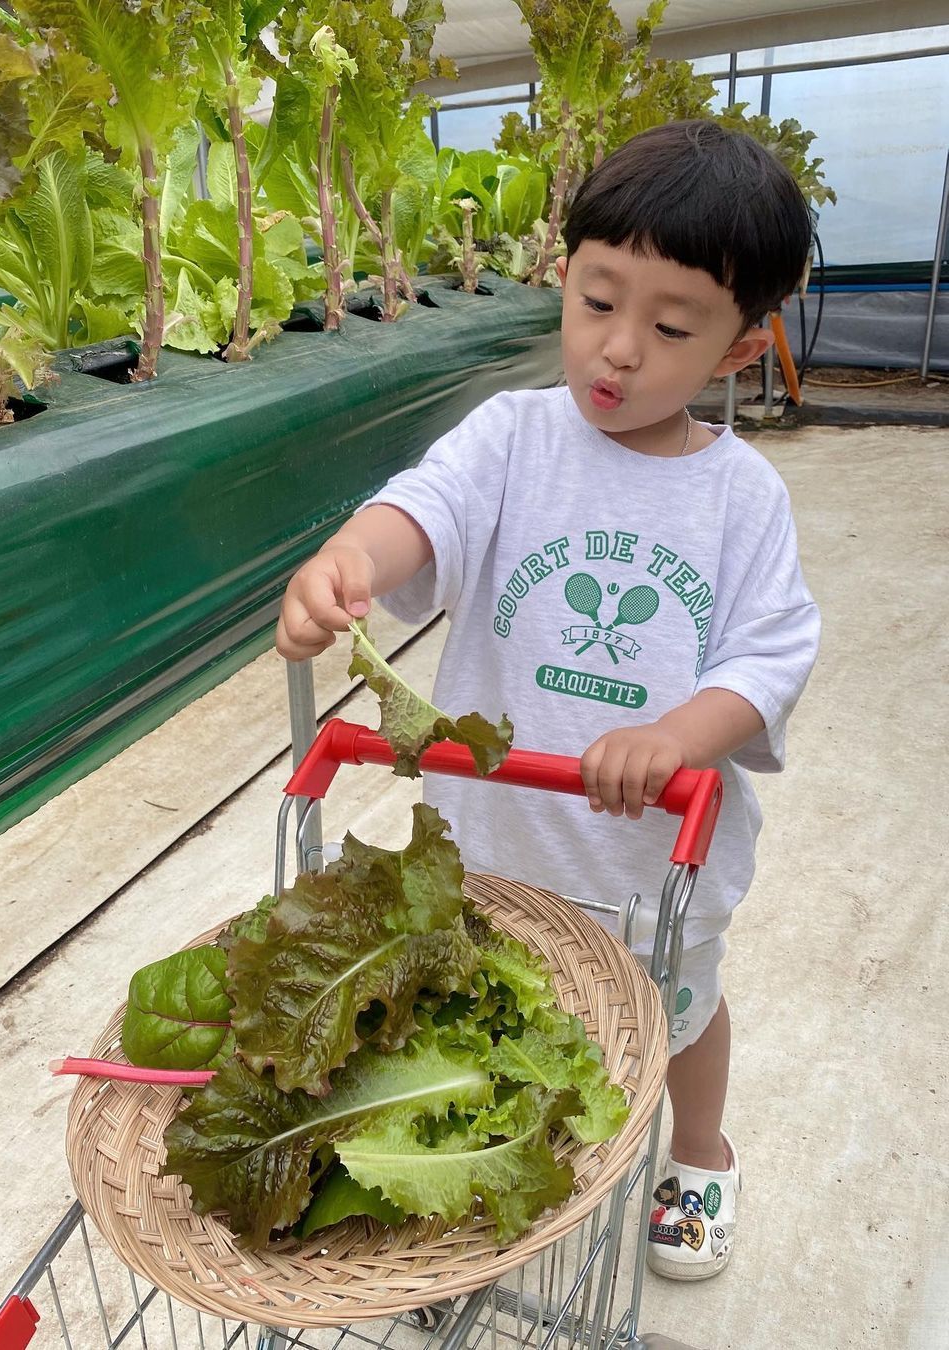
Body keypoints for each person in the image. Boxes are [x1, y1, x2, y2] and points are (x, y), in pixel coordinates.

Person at [276, 119, 820, 1281]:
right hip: (499, 839)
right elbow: (428, 507)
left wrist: (678, 735)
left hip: (649, 864)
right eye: (595, 301)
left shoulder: (740, 499)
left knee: (677, 1013)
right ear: (562, 278)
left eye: (671, 328)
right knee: (489, 1012)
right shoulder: (513, 437)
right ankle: (477, 1170)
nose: (617, 350)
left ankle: (703, 1150)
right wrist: (354, 564)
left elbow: (770, 655)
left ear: (734, 351)